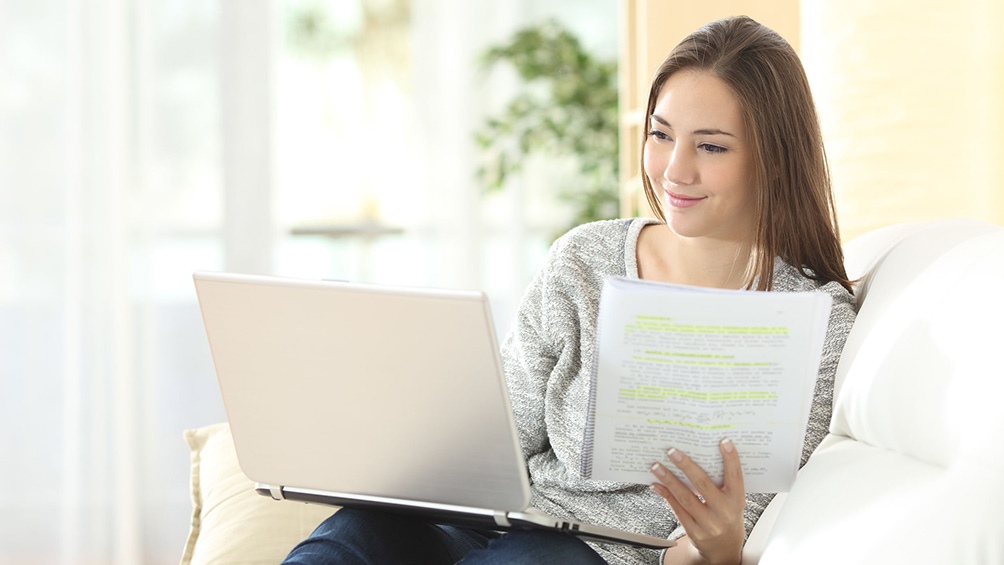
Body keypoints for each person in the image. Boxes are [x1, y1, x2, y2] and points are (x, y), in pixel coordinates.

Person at [282, 15, 857, 565]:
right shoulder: (584, 260)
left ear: (773, 161)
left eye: (711, 146)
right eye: (661, 135)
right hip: (496, 520)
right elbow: (503, 439)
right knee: (352, 533)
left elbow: (721, 535)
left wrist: (719, 547)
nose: (674, 170)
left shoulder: (813, 324)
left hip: (607, 553)